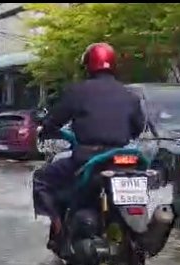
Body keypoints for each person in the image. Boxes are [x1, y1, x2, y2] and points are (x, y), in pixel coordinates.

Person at [33, 42, 145, 249]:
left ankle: (57, 226)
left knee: (41, 179)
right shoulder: (130, 95)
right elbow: (138, 127)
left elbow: (55, 120)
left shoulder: (78, 92)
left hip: (89, 157)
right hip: (124, 157)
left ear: (88, 66)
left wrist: (45, 129)